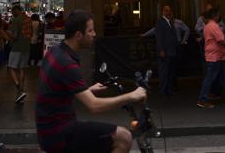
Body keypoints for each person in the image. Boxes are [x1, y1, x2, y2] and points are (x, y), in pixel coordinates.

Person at [35, 10, 146, 153]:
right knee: (123, 137)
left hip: (48, 129)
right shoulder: (67, 64)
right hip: (60, 133)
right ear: (78, 35)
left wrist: (86, 90)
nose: (94, 34)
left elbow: (55, 89)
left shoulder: (55, 52)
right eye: (91, 30)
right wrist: (131, 96)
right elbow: (94, 106)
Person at [197, 7, 225, 108]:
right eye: (218, 15)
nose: (219, 16)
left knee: (223, 78)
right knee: (209, 78)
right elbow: (221, 40)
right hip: (215, 57)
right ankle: (202, 99)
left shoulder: (208, 26)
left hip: (217, 57)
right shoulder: (213, 26)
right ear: (215, 16)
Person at [150, 5, 180, 96]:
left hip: (171, 51)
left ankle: (168, 89)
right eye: (166, 11)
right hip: (165, 52)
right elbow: (159, 38)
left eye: (169, 10)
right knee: (164, 72)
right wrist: (161, 50)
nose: (168, 12)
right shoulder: (160, 23)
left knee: (170, 72)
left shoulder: (170, 22)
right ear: (162, 12)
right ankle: (163, 90)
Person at [6, 4, 33, 103]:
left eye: (13, 12)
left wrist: (8, 33)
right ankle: (22, 89)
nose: (12, 14)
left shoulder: (16, 20)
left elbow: (15, 36)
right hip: (26, 47)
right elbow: (31, 33)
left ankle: (19, 87)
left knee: (11, 67)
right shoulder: (28, 19)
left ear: (17, 10)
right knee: (22, 69)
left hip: (16, 48)